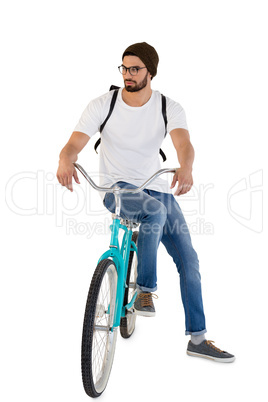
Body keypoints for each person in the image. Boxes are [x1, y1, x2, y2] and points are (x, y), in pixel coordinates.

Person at [57, 42, 235, 363]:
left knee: (189, 260)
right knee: (153, 212)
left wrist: (187, 166)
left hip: (157, 187)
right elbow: (74, 143)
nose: (128, 74)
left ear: (150, 72)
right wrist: (65, 159)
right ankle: (144, 290)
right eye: (124, 68)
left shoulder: (168, 107)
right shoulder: (103, 104)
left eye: (135, 69)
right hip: (117, 188)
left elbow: (184, 144)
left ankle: (197, 338)